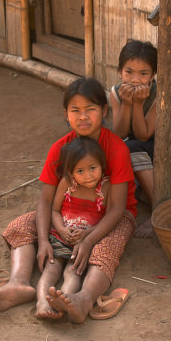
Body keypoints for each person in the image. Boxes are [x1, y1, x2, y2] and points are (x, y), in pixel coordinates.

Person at [0, 77, 137, 324]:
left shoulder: (116, 149)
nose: (83, 117)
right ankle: (18, 283)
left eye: (91, 109)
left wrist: (90, 239)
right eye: (75, 110)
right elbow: (46, 202)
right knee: (20, 225)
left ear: (104, 111)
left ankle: (83, 299)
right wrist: (43, 240)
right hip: (65, 214)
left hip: (109, 217)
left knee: (107, 246)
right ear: (66, 114)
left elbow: (117, 207)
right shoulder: (59, 148)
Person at [110, 39, 171, 238]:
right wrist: (126, 103)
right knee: (118, 148)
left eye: (143, 74)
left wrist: (137, 104)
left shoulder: (160, 95)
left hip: (166, 151)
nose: (135, 79)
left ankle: (158, 212)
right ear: (119, 72)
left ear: (152, 76)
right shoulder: (116, 93)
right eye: (129, 72)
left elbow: (143, 135)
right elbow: (120, 133)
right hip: (138, 147)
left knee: (131, 149)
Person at [38, 136, 110, 319]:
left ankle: (65, 301)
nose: (89, 175)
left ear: (102, 164)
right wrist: (61, 229)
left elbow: (107, 219)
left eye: (93, 168)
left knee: (73, 271)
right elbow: (54, 210)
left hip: (84, 242)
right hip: (61, 235)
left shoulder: (106, 187)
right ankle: (43, 303)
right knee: (51, 268)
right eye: (80, 171)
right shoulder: (67, 184)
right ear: (71, 173)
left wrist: (87, 234)